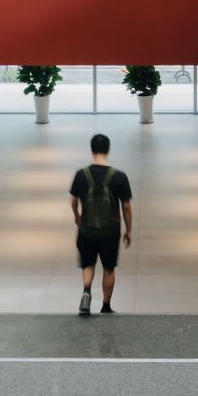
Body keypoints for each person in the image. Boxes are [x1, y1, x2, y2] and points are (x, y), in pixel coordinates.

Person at [70, 134, 133, 316]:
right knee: (108, 268)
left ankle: (86, 291)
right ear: (109, 150)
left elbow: (73, 201)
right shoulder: (120, 177)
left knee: (88, 263)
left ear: (91, 150)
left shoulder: (81, 174)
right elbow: (127, 208)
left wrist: (77, 216)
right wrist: (128, 231)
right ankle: (106, 306)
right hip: (110, 231)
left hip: (87, 228)